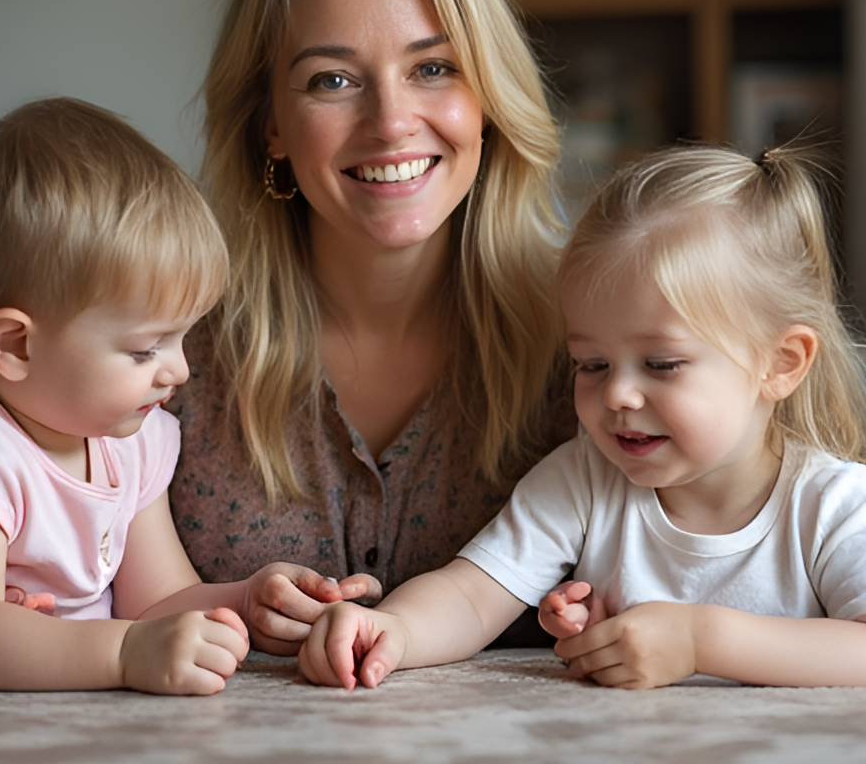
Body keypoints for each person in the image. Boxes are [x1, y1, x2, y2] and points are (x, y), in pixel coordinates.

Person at [0, 0, 569, 663]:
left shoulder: (595, 340)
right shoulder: (154, 342)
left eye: (434, 69)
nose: (391, 122)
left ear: (489, 97)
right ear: (271, 126)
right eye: (333, 80)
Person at [0, 98, 370, 692]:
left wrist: (248, 601)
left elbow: (158, 599)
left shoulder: (127, 432)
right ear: (14, 346)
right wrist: (125, 653)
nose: (180, 370)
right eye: (146, 349)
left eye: (182, 337)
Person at [299, 144, 866, 691]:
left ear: (781, 364)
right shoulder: (585, 480)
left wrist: (699, 640)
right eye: (591, 363)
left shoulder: (833, 508)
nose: (618, 394)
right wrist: (395, 628)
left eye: (661, 364)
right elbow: (472, 595)